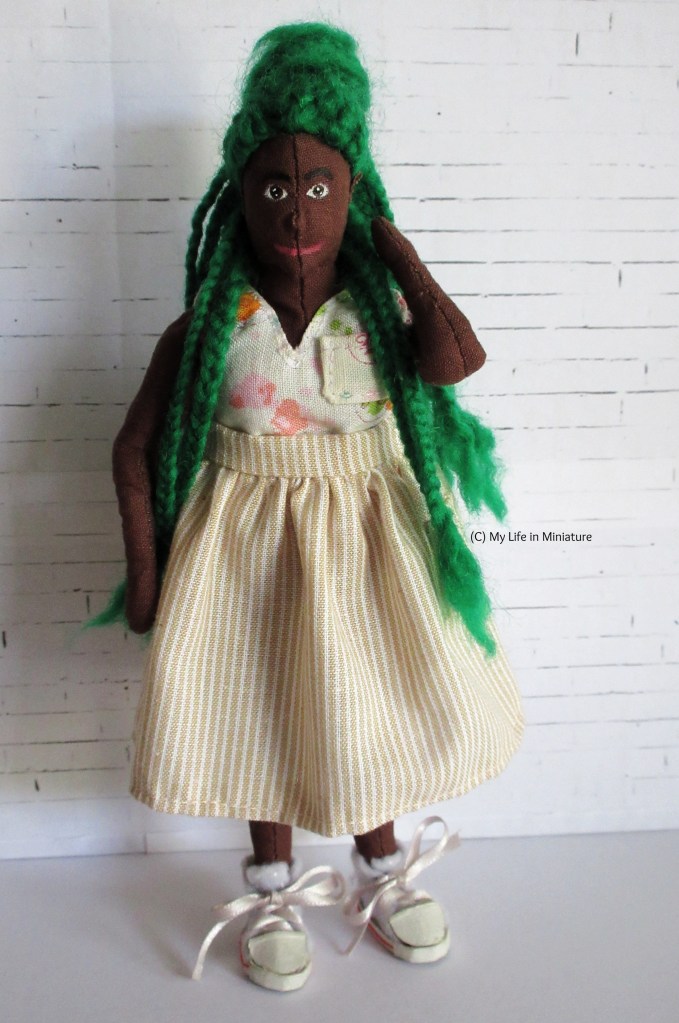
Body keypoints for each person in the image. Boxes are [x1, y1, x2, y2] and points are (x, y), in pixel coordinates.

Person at [94, 22, 524, 992]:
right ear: (241, 195)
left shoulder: (376, 314)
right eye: (275, 187)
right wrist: (148, 570)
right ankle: (273, 881)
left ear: (351, 189)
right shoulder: (213, 326)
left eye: (320, 185)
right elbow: (132, 447)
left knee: (362, 708)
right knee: (262, 713)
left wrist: (399, 253)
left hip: (372, 559)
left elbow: (456, 362)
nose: (295, 209)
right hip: (244, 559)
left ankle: (378, 865)